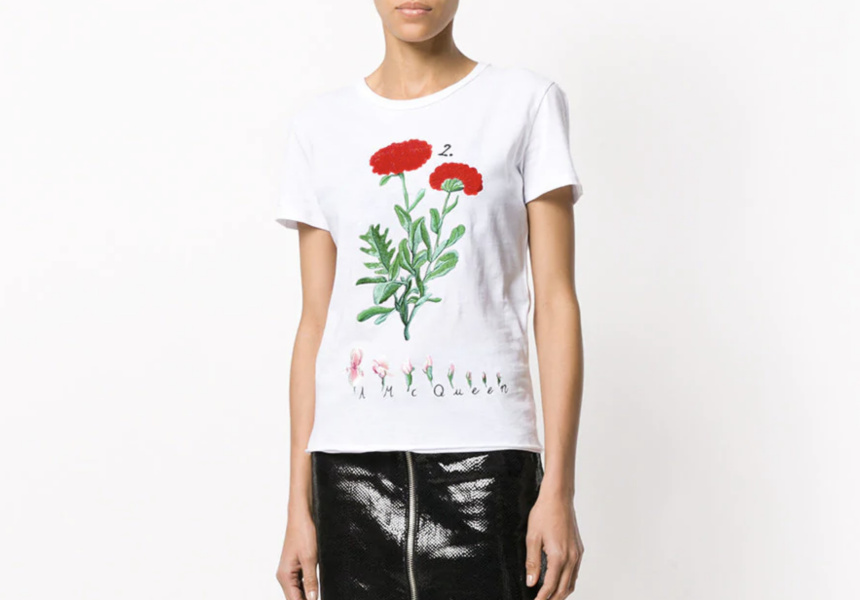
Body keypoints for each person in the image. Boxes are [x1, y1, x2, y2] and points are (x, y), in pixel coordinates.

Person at [274, 2, 585, 599]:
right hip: (348, 471)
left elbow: (555, 300)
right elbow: (315, 322)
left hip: (488, 467)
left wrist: (559, 490)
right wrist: (297, 505)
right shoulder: (319, 127)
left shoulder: (526, 103)